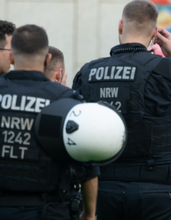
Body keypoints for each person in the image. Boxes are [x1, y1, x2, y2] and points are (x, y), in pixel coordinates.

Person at [72, 0, 171, 220]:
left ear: (120, 26)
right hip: (157, 190)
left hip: (105, 190)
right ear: (155, 33)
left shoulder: (88, 73)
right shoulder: (166, 69)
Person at [0, 24, 99, 220]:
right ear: (47, 59)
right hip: (48, 211)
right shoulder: (68, 101)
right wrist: (88, 214)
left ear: (11, 57)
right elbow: (88, 166)